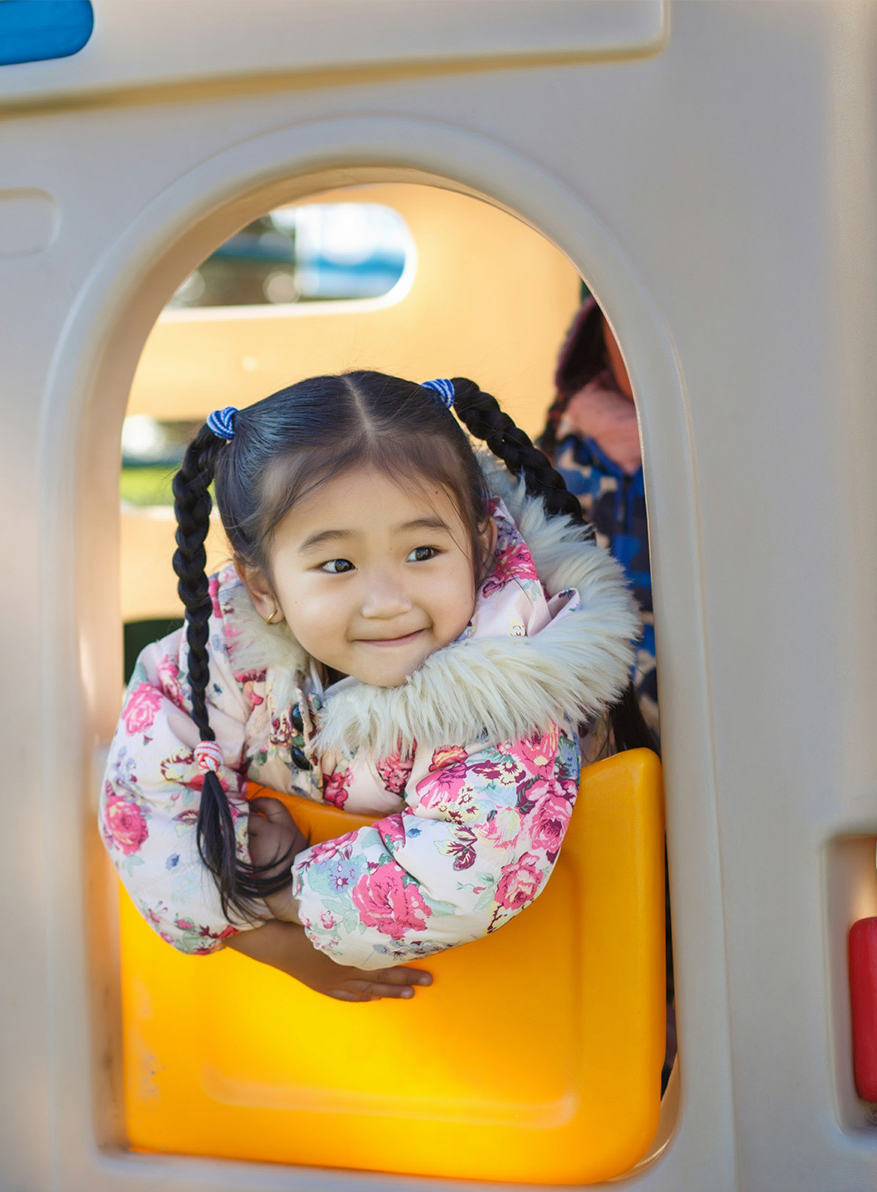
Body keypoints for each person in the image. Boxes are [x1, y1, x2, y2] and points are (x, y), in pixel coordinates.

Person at [102, 371, 646, 1004]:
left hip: (525, 1023)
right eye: (338, 565)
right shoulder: (217, 661)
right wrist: (265, 941)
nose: (387, 602)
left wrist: (276, 888)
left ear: (479, 543)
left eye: (422, 552)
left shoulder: (513, 690)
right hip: (291, 1060)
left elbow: (465, 874)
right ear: (264, 589)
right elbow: (139, 800)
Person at [539, 296, 658, 742]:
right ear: (597, 335)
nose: (641, 346)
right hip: (601, 716)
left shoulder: (724, 442)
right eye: (623, 325)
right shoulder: (564, 449)